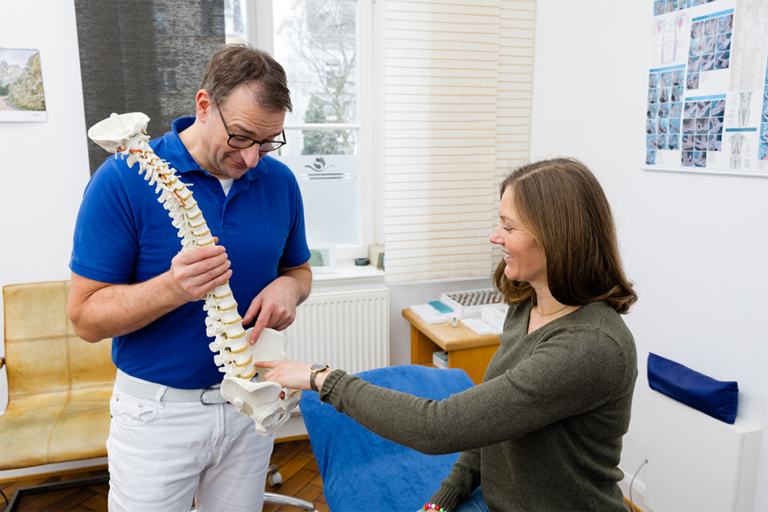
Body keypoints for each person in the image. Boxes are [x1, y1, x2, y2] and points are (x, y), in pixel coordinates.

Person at [257, 158, 639, 512]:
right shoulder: (527, 305)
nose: (495, 236)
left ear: (557, 237)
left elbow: (437, 427)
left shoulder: (591, 347)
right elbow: (492, 425)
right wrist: (444, 499)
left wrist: (323, 379)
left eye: (508, 227)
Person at [67, 43, 312, 512]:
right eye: (241, 137)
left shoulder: (280, 182)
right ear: (204, 106)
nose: (253, 159)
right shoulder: (121, 179)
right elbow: (84, 319)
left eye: (268, 142)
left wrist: (290, 288)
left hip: (249, 406)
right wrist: (171, 289)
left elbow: (298, 271)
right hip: (158, 416)